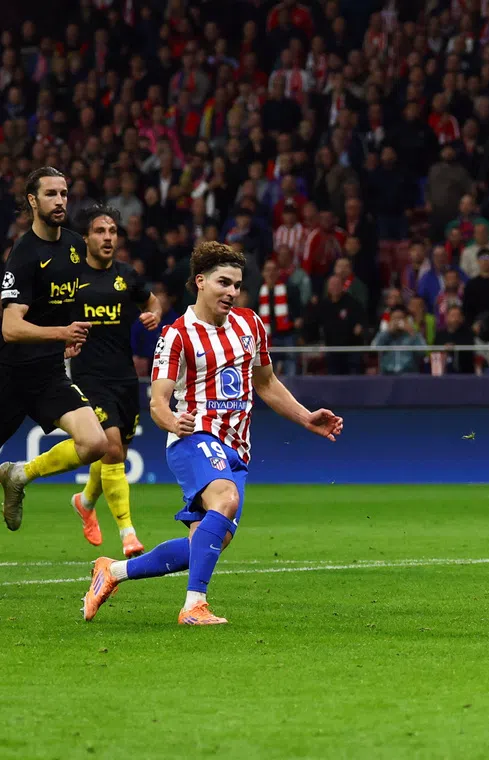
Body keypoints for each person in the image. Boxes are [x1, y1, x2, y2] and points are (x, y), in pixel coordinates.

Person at [81, 241, 343, 626]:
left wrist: (306, 418)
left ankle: (112, 572)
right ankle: (193, 606)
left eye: (237, 284)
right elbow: (157, 402)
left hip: (237, 447)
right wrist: (173, 421)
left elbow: (266, 383)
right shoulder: (177, 334)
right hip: (193, 439)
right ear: (200, 282)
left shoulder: (250, 324)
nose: (232, 292)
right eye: (224, 282)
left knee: (207, 542)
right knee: (225, 497)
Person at [0, 167, 109, 531]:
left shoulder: (76, 245)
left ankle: (18, 475)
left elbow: (72, 298)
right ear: (32, 200)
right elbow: (11, 327)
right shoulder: (24, 253)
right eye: (51, 194)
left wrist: (69, 338)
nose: (60, 200)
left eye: (64, 193)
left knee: (95, 443)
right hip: (10, 374)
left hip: (48, 374)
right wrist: (60, 331)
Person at [69, 205, 162, 558]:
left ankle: (85, 500)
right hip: (89, 376)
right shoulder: (71, 278)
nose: (108, 237)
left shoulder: (127, 274)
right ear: (86, 239)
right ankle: (128, 532)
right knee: (110, 447)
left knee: (117, 450)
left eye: (112, 232)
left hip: (124, 376)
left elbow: (152, 300)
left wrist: (153, 313)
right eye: (100, 231)